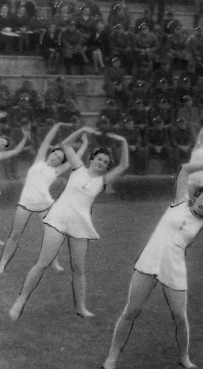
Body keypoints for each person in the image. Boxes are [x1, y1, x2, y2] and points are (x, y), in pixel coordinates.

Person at [103, 161, 203, 369]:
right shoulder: (179, 201)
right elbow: (185, 169)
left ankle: (184, 357)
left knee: (180, 317)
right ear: (197, 196)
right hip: (149, 261)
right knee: (131, 310)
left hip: (174, 269)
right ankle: (113, 355)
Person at [9, 127, 129, 320]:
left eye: (105, 162)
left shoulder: (103, 181)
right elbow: (65, 145)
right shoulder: (78, 167)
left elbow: (123, 166)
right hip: (58, 218)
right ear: (92, 159)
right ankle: (20, 301)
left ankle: (81, 307)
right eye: (99, 159)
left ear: (106, 168)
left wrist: (122, 141)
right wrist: (82, 129)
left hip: (80, 224)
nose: (101, 163)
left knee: (79, 268)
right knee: (43, 262)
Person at [0, 124, 76, 274]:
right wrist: (57, 126)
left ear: (60, 162)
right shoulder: (39, 160)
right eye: (55, 154)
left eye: (59, 158)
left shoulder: (57, 170)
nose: (55, 157)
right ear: (50, 154)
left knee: (50, 236)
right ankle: (2, 264)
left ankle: (54, 263)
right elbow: (46, 141)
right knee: (15, 234)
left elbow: (73, 160)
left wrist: (83, 144)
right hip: (25, 203)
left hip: (45, 205)